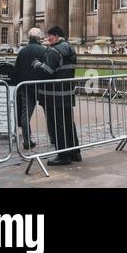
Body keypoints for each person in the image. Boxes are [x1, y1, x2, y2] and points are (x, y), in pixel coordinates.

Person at [44, 26, 81, 165]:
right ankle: (75, 153)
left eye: (50, 36)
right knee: (68, 123)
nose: (48, 39)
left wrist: (36, 64)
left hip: (54, 94)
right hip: (67, 93)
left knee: (58, 125)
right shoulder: (71, 50)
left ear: (58, 36)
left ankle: (63, 155)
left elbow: (47, 71)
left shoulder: (54, 51)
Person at [12, 28, 51, 150]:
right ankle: (54, 138)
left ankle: (27, 141)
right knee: (49, 113)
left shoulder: (22, 51)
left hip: (25, 86)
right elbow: (47, 69)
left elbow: (16, 69)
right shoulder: (43, 50)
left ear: (29, 37)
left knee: (25, 114)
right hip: (41, 86)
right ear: (39, 37)